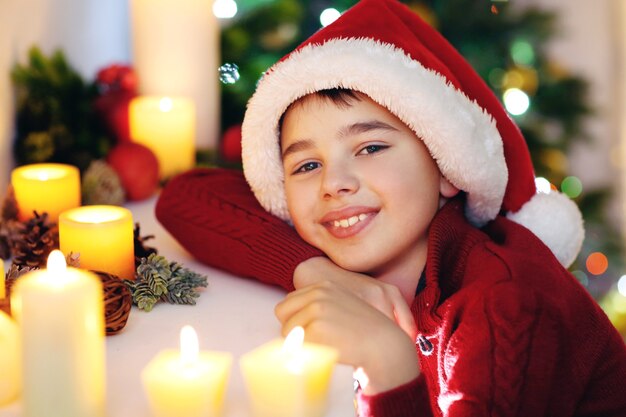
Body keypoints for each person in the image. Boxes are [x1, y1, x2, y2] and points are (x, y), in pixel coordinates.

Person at [156, 0, 626, 416]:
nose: (333, 184)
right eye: (307, 165)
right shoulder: (358, 225)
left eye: (371, 148)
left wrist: (390, 366)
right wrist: (317, 272)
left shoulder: (505, 304)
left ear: (446, 168)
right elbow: (184, 198)